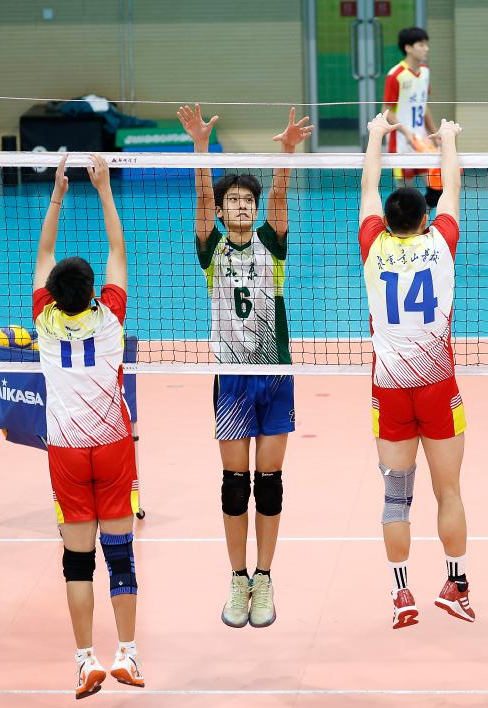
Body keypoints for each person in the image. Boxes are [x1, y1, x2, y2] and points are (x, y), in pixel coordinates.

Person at [176, 103, 312, 629]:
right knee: (235, 485)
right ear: (220, 209)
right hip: (230, 377)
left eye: (247, 201)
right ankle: (237, 580)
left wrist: (288, 153)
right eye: (232, 199)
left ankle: (265, 577)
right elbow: (199, 197)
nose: (240, 205)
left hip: (275, 374)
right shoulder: (209, 250)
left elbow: (279, 198)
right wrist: (200, 146)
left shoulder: (271, 246)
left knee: (269, 483)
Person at [33, 154, 144, 698]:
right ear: (94, 290)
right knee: (120, 556)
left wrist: (57, 194)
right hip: (113, 445)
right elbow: (118, 251)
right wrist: (103, 189)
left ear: (53, 296)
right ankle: (128, 653)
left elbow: (44, 253)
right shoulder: (112, 317)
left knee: (77, 563)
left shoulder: (43, 320)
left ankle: (85, 661)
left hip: (67, 450)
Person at [359, 110, 473, 629]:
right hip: (438, 387)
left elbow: (368, 186)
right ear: (425, 220)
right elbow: (451, 186)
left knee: (395, 498)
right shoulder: (440, 242)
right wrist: (447, 138)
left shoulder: (373, 246)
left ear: (386, 222)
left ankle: (401, 593)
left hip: (390, 388)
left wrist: (376, 136)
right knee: (449, 492)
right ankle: (456, 584)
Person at [382, 26, 441, 205]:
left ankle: (422, 218)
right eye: (421, 45)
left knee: (438, 189)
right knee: (405, 197)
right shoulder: (395, 75)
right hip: (402, 144)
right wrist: (406, 133)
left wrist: (434, 133)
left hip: (422, 142)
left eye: (426, 44)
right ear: (408, 48)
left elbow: (423, 105)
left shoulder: (425, 72)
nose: (426, 48)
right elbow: (386, 111)